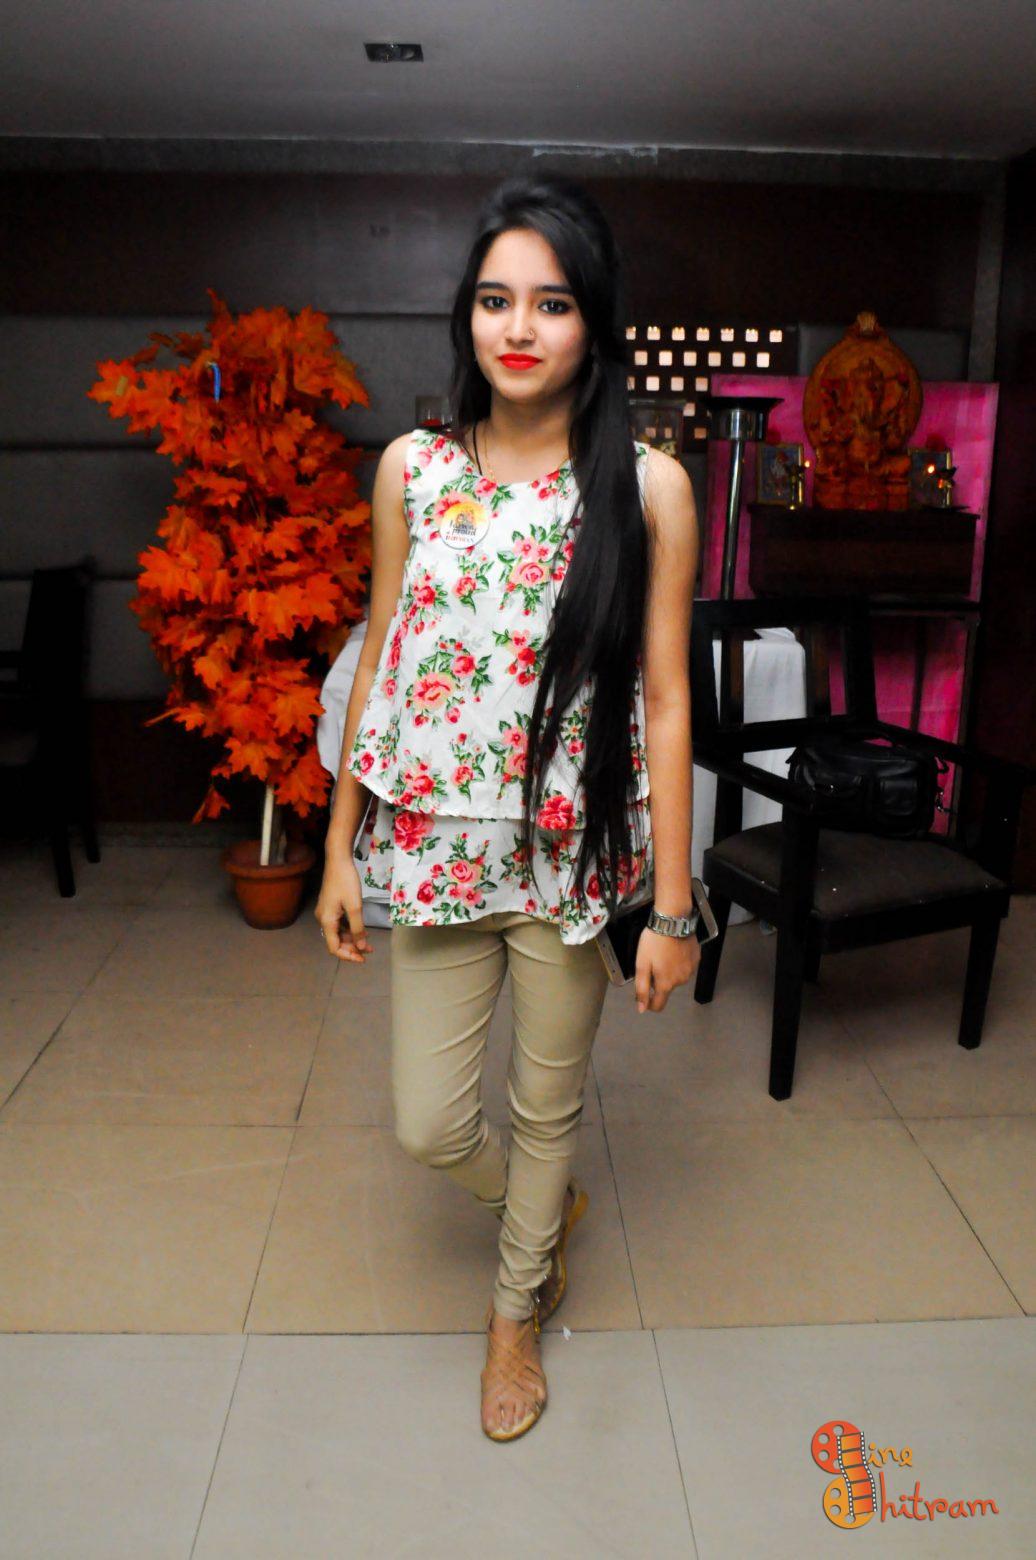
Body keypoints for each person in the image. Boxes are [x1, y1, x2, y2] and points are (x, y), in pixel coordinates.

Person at [315, 175, 700, 1442]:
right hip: (433, 849)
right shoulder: (414, 468)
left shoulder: (646, 486)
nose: (518, 328)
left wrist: (674, 908)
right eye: (494, 300)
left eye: (552, 302)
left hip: (569, 861)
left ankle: (514, 1307)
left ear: (595, 322)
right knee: (429, 1123)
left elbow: (664, 699)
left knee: (547, 1107)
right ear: (466, 315)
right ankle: (543, 1215)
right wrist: (338, 850)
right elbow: (379, 660)